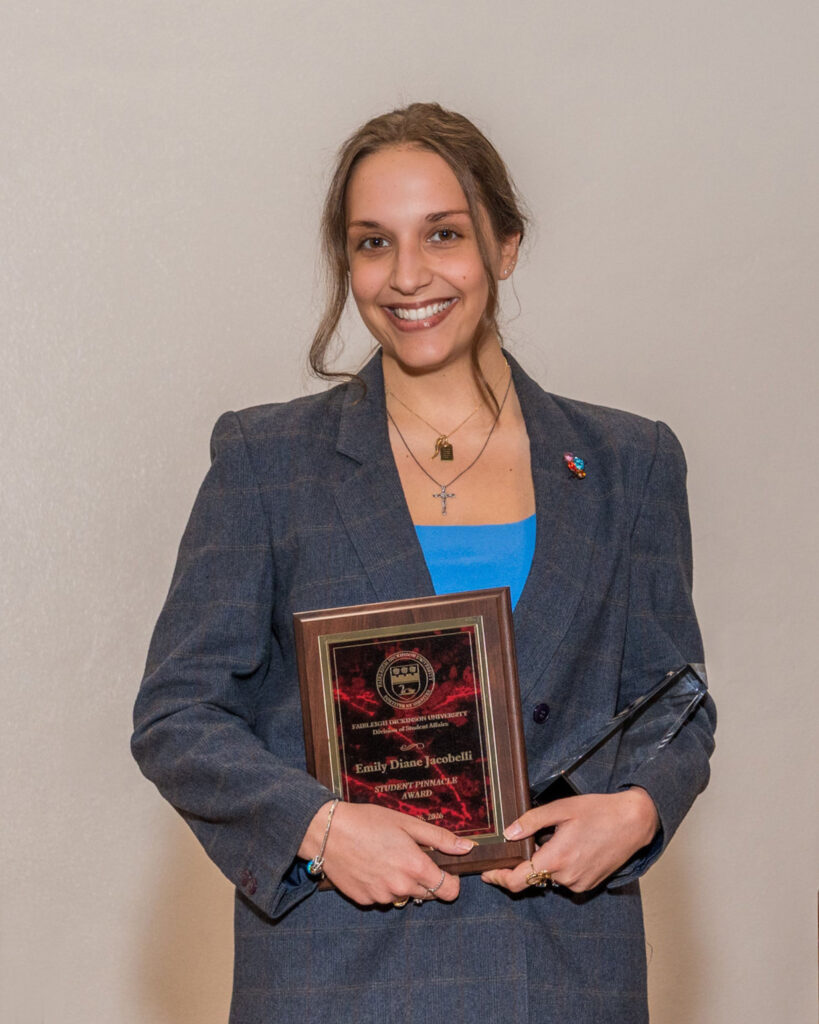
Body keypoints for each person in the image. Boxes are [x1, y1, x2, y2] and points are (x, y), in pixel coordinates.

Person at [132, 102, 715, 1023]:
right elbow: (176, 714)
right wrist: (319, 832)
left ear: (505, 245)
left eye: (442, 234)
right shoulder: (266, 461)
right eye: (372, 243)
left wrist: (638, 808)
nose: (407, 276)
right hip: (334, 974)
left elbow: (674, 697)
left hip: (561, 971)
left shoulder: (628, 464)